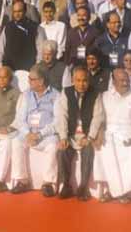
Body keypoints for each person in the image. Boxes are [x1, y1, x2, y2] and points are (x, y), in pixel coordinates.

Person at [97, 68, 131, 204]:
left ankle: (116, 191)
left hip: (130, 134)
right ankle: (117, 191)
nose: (125, 83)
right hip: (109, 134)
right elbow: (100, 119)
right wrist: (100, 133)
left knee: (129, 149)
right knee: (105, 148)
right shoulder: (104, 96)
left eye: (127, 80)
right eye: (121, 80)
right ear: (113, 82)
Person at [55, 65, 104, 201]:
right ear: (72, 80)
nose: (82, 84)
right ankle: (66, 185)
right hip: (71, 134)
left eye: (85, 81)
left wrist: (90, 137)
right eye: (78, 80)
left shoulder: (96, 93)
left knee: (88, 150)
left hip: (86, 135)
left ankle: (83, 187)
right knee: (62, 151)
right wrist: (63, 137)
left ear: (89, 80)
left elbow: (98, 117)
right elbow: (62, 115)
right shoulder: (66, 92)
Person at [9, 65, 60, 196]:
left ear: (41, 81)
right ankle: (22, 180)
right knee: (16, 142)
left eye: (32, 79)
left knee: (53, 145)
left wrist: (40, 134)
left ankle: (48, 183)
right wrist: (28, 133)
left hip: (46, 135)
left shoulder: (56, 96)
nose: (28, 81)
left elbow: (57, 122)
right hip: (28, 133)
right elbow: (20, 119)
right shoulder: (26, 94)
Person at [0, 1, 38, 72]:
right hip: (9, 68)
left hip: (27, 69)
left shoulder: (35, 27)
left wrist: (36, 68)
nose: (17, 14)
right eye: (15, 11)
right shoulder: (7, 27)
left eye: (19, 11)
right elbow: (0, 48)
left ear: (25, 11)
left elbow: (40, 50)